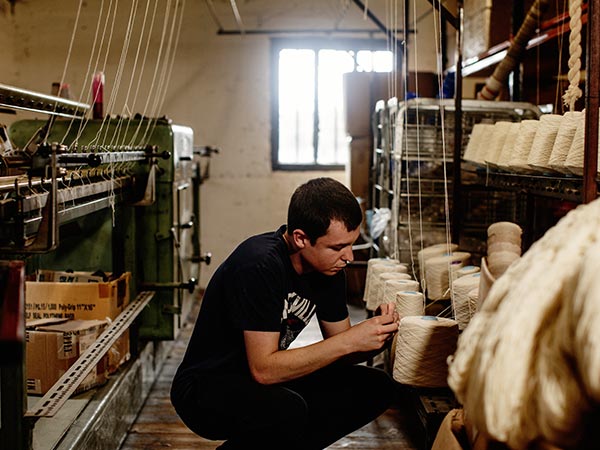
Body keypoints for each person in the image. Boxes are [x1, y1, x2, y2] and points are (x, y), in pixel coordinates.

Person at [171, 177, 400, 449]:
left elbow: (344, 354)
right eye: (338, 247)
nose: (349, 256)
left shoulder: (329, 268)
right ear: (301, 238)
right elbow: (264, 370)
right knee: (288, 409)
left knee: (376, 388)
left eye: (350, 244)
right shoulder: (259, 265)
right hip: (204, 389)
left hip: (261, 381)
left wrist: (377, 333)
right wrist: (350, 340)